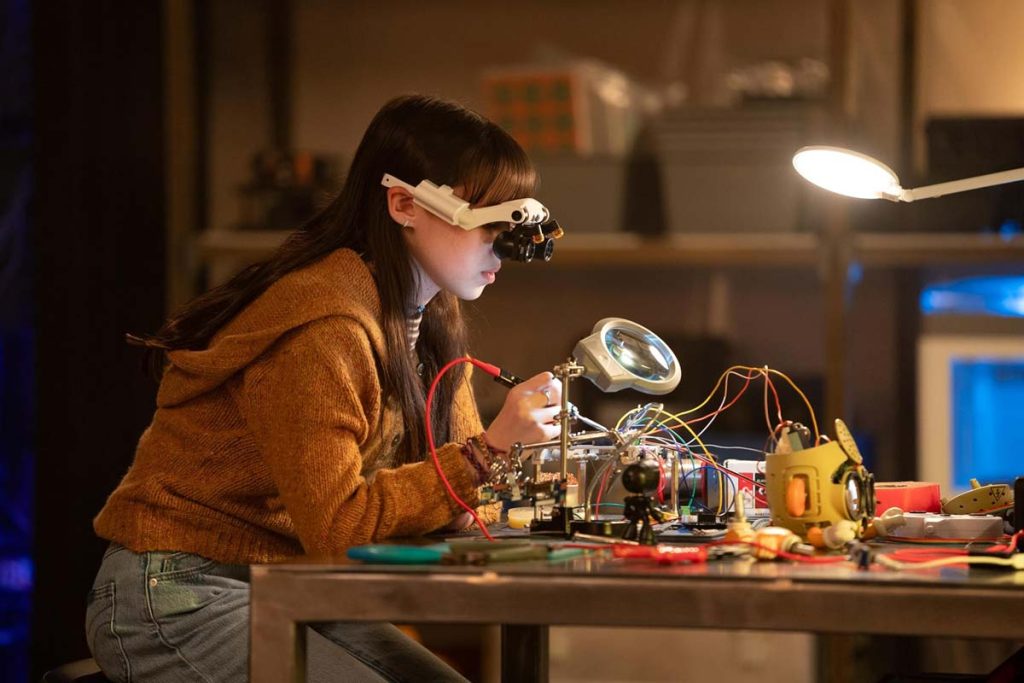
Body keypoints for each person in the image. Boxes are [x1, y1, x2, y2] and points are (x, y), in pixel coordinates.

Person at [86, 94, 563, 682]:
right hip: (180, 592)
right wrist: (486, 454)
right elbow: (342, 529)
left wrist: (499, 468)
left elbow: (455, 504)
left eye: (513, 226)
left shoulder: (431, 319)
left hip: (285, 582)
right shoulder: (325, 326)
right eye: (489, 223)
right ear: (404, 204)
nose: (504, 246)